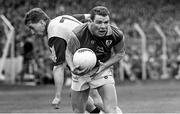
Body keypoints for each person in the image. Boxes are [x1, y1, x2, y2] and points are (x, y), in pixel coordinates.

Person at [24, 8, 103, 113]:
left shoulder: (54, 35)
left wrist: (57, 96)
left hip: (89, 60)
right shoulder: (61, 19)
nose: (32, 32)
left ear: (42, 22)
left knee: (94, 102)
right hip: (98, 54)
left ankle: (112, 111)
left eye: (32, 28)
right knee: (77, 95)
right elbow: (89, 16)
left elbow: (58, 67)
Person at [66, 6, 125, 113]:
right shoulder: (78, 33)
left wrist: (105, 65)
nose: (103, 26)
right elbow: (69, 53)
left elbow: (120, 53)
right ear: (90, 21)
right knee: (77, 111)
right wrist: (72, 67)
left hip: (101, 70)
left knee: (111, 109)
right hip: (80, 72)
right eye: (99, 22)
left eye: (106, 22)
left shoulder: (116, 34)